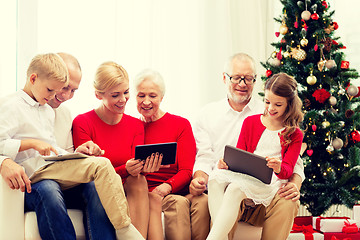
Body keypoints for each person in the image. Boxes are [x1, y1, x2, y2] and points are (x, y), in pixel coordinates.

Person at [0, 53, 144, 240]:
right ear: (34, 79)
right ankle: (124, 229)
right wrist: (28, 146)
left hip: (50, 167)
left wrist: (76, 154)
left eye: (72, 90)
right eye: (54, 89)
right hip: (32, 175)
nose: (59, 96)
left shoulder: (47, 110)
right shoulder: (10, 105)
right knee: (95, 168)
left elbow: (52, 149)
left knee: (95, 180)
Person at [189, 53, 306, 240]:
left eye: (249, 79)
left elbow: (293, 161)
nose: (242, 83)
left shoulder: (272, 116)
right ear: (224, 78)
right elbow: (208, 157)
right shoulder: (209, 114)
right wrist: (221, 166)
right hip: (234, 181)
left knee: (283, 201)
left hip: (266, 185)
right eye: (236, 77)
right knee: (218, 180)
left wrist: (295, 181)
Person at [23, 52, 116, 240]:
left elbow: (61, 155)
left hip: (60, 182)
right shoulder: (17, 107)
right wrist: (4, 162)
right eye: (64, 87)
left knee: (94, 184)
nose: (66, 95)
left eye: (73, 90)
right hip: (34, 184)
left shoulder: (64, 114)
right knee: (49, 187)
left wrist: (77, 152)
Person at [72, 61, 153, 238]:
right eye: (115, 95)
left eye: (126, 92)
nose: (123, 100)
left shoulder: (136, 125)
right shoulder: (82, 122)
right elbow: (87, 174)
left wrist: (141, 168)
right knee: (101, 183)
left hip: (126, 184)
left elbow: (135, 167)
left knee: (138, 179)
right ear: (98, 95)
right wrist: (125, 169)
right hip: (97, 185)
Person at [134, 69, 196, 240]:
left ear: (161, 97)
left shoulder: (180, 125)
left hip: (169, 191)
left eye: (152, 96)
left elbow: (186, 171)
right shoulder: (130, 126)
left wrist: (165, 188)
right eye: (141, 96)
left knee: (178, 203)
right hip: (139, 192)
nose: (146, 102)